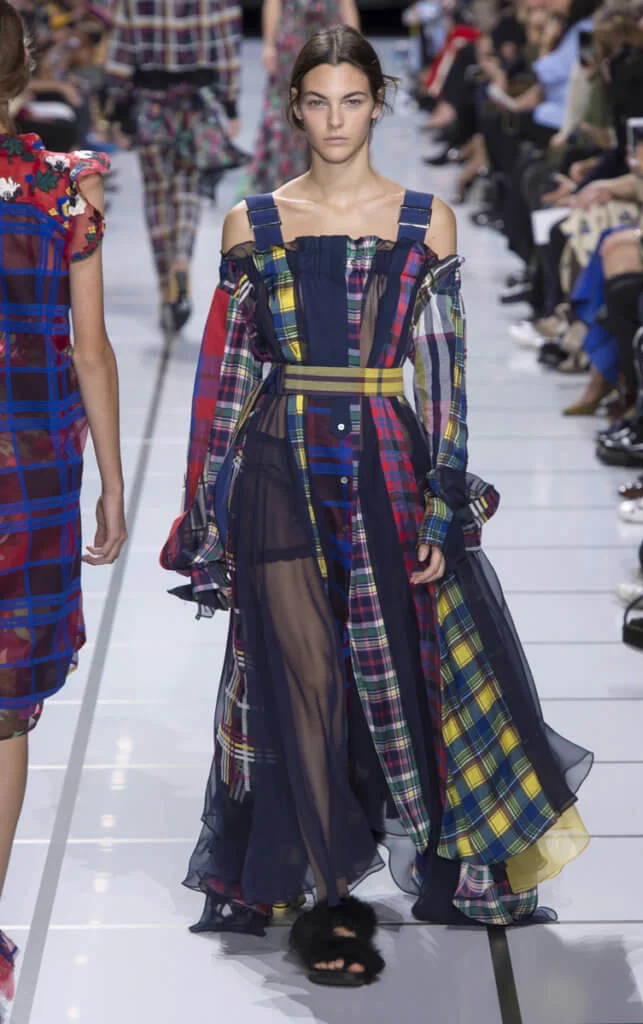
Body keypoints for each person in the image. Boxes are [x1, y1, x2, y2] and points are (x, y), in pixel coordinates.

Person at [161, 26, 592, 988]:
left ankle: (426, 858)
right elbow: (225, 385)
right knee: (302, 682)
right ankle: (330, 901)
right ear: (293, 107)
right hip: (277, 466)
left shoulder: (424, 222)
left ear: (376, 105)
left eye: (351, 101)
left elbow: (443, 375)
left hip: (386, 465)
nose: (334, 121)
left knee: (399, 673)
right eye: (317, 102)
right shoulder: (252, 223)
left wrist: (445, 503)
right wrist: (207, 515)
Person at [0, 0, 126, 1005]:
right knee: (3, 712)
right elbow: (90, 349)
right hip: (31, 473)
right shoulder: (62, 188)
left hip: (27, 471)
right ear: (23, 72)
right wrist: (115, 484)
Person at [105, 0, 243, 332]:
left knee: (157, 194)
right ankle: (182, 256)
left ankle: (165, 283)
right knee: (189, 189)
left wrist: (117, 107)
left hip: (150, 105)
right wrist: (229, 103)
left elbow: (121, 51)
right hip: (197, 104)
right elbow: (227, 50)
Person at [245, 0, 360, 193]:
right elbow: (273, 3)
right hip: (292, 45)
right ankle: (288, 184)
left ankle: (329, 182)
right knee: (289, 111)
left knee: (329, 108)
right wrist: (269, 45)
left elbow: (347, 5)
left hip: (330, 45)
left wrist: (355, 47)